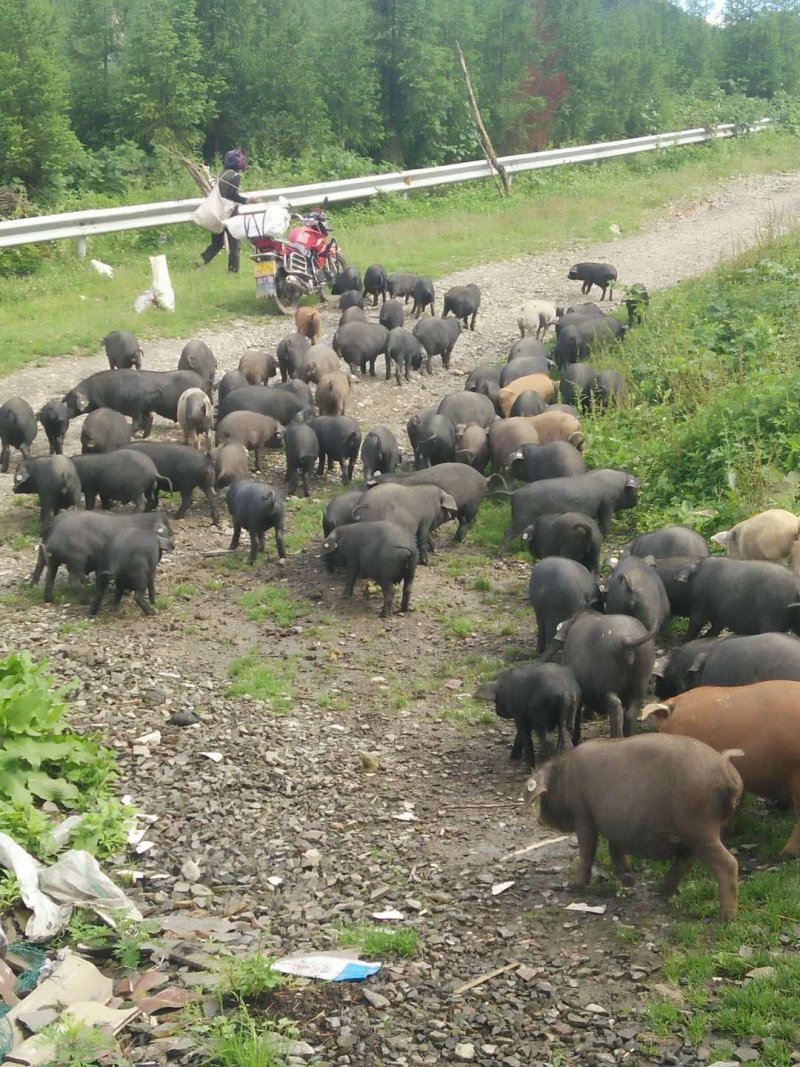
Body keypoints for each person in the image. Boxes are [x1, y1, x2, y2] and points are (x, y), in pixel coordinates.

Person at [197, 148, 257, 273]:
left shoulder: (222, 173)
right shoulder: (234, 176)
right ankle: (233, 270)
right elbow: (232, 195)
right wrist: (248, 200)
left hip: (218, 211)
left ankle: (201, 261)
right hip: (230, 212)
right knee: (234, 243)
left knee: (217, 243)